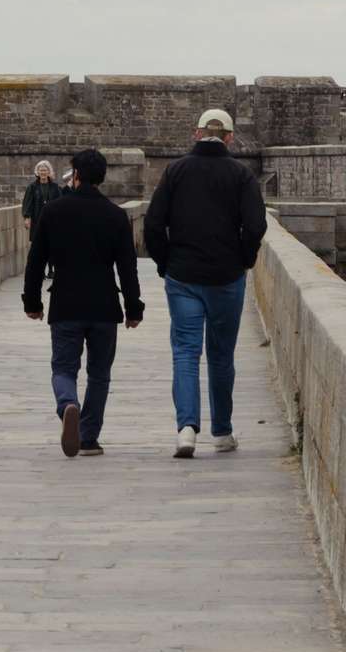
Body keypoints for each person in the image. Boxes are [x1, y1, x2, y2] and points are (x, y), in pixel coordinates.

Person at [144, 107, 267, 459]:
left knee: (185, 351)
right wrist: (244, 259)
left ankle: (186, 429)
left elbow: (153, 224)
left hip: (183, 275)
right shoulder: (241, 174)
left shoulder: (175, 171)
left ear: (197, 134)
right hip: (226, 277)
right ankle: (223, 432)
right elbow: (256, 225)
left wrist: (166, 262)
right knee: (220, 355)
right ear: (229, 137)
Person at [23, 148, 144, 456]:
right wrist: (133, 308)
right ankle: (88, 438)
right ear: (101, 177)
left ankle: (67, 404)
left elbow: (35, 262)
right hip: (104, 306)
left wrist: (32, 301)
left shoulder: (53, 212)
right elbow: (127, 267)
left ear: (75, 174)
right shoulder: (116, 216)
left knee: (63, 369)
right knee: (99, 374)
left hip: (66, 303)